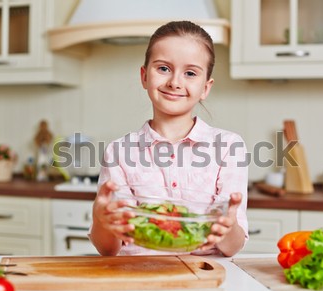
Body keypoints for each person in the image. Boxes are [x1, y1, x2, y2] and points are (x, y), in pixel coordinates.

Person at [90, 21, 249, 257]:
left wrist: (227, 226)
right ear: (144, 77)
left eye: (190, 73)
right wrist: (101, 219)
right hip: (136, 276)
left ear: (206, 87)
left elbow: (232, 247)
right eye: (163, 68)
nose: (175, 82)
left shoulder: (229, 147)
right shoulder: (119, 151)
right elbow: (108, 250)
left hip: (205, 276)